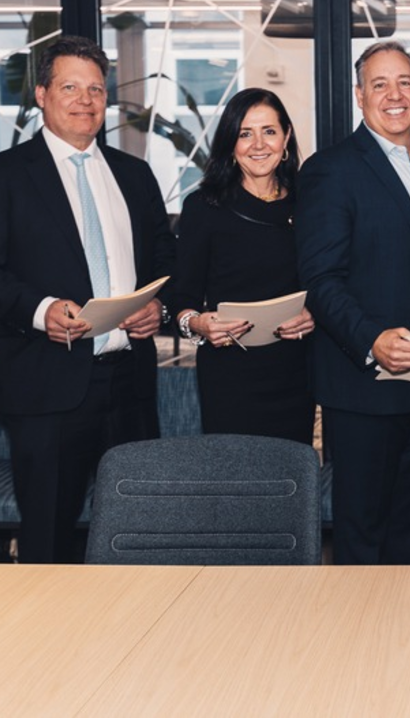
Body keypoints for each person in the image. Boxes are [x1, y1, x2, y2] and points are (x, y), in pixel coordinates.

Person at [0, 35, 175, 563]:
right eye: (70, 87)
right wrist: (40, 311)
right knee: (49, 544)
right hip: (48, 387)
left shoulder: (135, 174)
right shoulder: (7, 175)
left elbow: (165, 260)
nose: (85, 100)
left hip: (130, 385)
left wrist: (159, 308)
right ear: (41, 94)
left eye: (95, 89)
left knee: (139, 537)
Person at [295, 40, 410, 565]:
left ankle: (405, 616)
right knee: (362, 535)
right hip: (368, 382)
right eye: (380, 84)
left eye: (404, 82)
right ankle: (357, 621)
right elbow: (320, 279)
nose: (395, 95)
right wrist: (371, 339)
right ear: (359, 96)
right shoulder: (331, 169)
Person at [165, 88, 316, 444]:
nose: (258, 145)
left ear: (286, 137)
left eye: (269, 131)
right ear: (230, 142)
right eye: (245, 133)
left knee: (292, 472)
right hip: (229, 374)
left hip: (296, 371)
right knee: (234, 473)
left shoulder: (310, 202)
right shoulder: (204, 206)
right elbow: (182, 296)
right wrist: (197, 323)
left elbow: (327, 280)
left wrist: (315, 314)